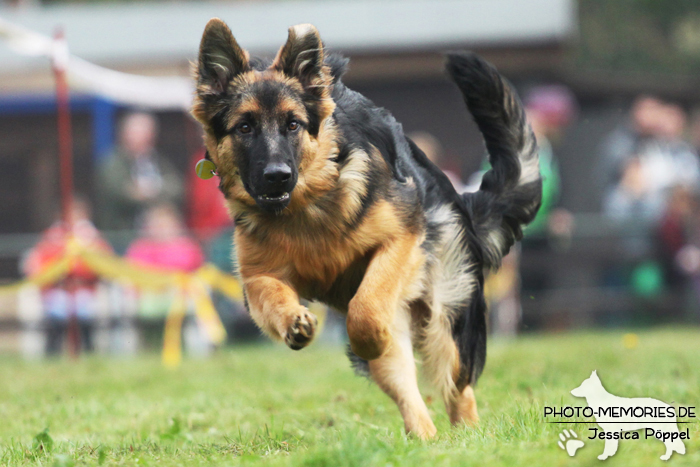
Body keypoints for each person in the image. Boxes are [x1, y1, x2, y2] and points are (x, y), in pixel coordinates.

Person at [23, 197, 112, 355]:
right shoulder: (52, 237)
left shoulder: (94, 238)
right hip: (58, 290)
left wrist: (79, 267)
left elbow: (104, 264)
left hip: (85, 290)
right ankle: (52, 352)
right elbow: (40, 264)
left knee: (84, 316)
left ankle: (88, 351)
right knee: (56, 315)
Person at [96, 112, 183, 233]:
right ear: (125, 134)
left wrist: (149, 190)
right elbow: (123, 193)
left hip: (154, 235)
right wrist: (157, 189)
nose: (146, 138)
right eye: (138, 133)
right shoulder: (112, 163)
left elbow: (176, 187)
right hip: (122, 234)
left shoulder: (157, 161)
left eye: (148, 133)